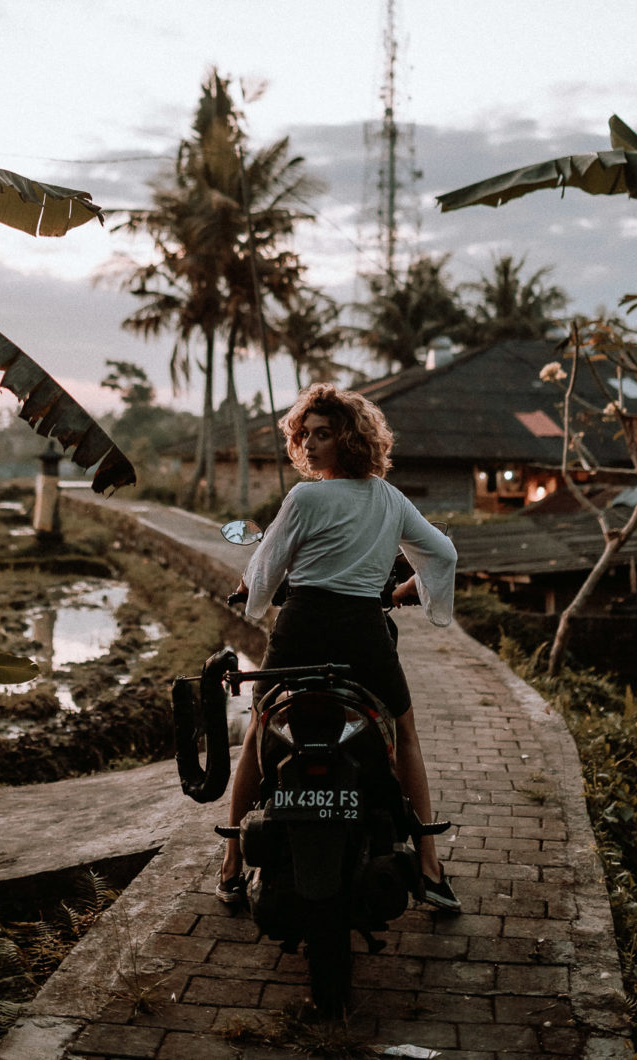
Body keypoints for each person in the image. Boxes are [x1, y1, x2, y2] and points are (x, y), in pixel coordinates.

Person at [217, 382, 460, 913]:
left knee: (259, 728)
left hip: (301, 629)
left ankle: (232, 863)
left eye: (322, 434)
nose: (309, 444)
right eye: (304, 435)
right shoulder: (389, 499)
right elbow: (442, 554)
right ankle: (429, 866)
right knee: (404, 733)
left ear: (348, 438)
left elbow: (266, 564)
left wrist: (248, 591)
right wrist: (404, 590)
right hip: (362, 634)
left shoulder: (305, 498)